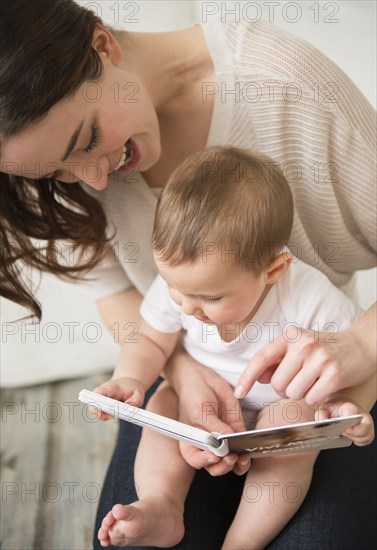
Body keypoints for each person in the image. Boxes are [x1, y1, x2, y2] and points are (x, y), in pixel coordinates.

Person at [0, 1, 375, 548]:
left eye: (83, 141)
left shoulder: (284, 86)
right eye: (58, 173)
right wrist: (172, 372)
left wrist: (361, 352)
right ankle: (162, 505)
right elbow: (127, 305)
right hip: (189, 375)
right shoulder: (158, 277)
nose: (92, 181)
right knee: (152, 451)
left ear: (103, 46)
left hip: (303, 388)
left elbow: (342, 376)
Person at [91, 147, 374, 548]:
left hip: (280, 402)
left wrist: (350, 409)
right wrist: (129, 378)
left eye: (209, 297)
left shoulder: (308, 296)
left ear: (273, 270)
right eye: (176, 287)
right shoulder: (185, 287)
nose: (188, 306)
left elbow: (354, 361)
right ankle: (162, 503)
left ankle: (243, 540)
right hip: (200, 395)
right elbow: (151, 339)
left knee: (291, 438)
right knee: (162, 404)